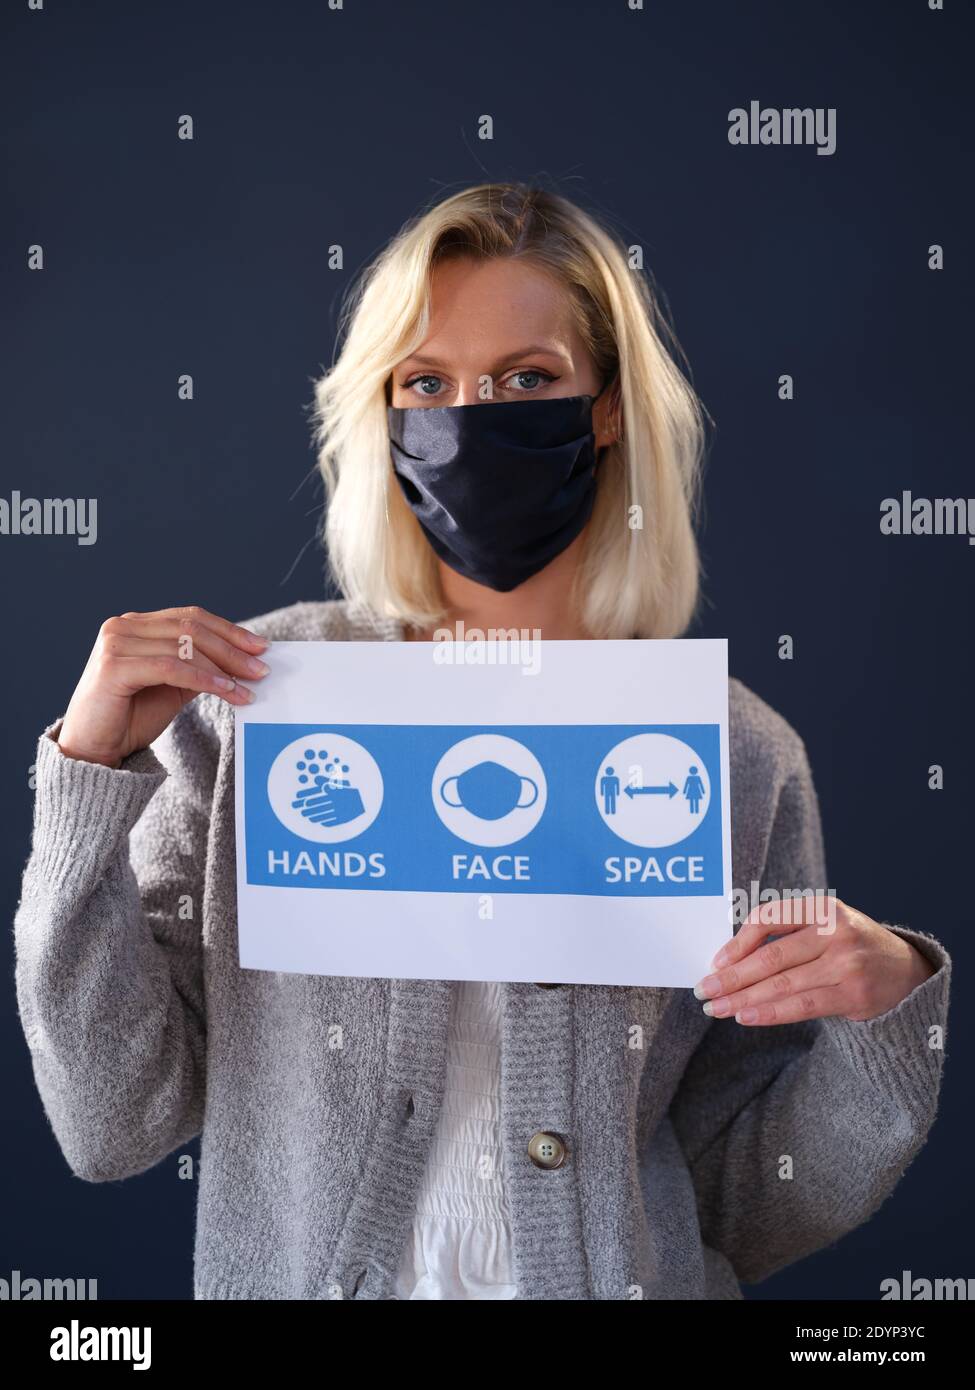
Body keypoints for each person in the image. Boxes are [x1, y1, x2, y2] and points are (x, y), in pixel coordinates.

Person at [13, 182, 951, 1301]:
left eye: (527, 380)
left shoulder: (731, 752)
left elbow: (743, 1197)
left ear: (606, 409)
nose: (472, 415)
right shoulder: (252, 705)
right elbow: (111, 1121)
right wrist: (82, 786)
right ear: (384, 414)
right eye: (426, 383)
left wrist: (886, 1018)